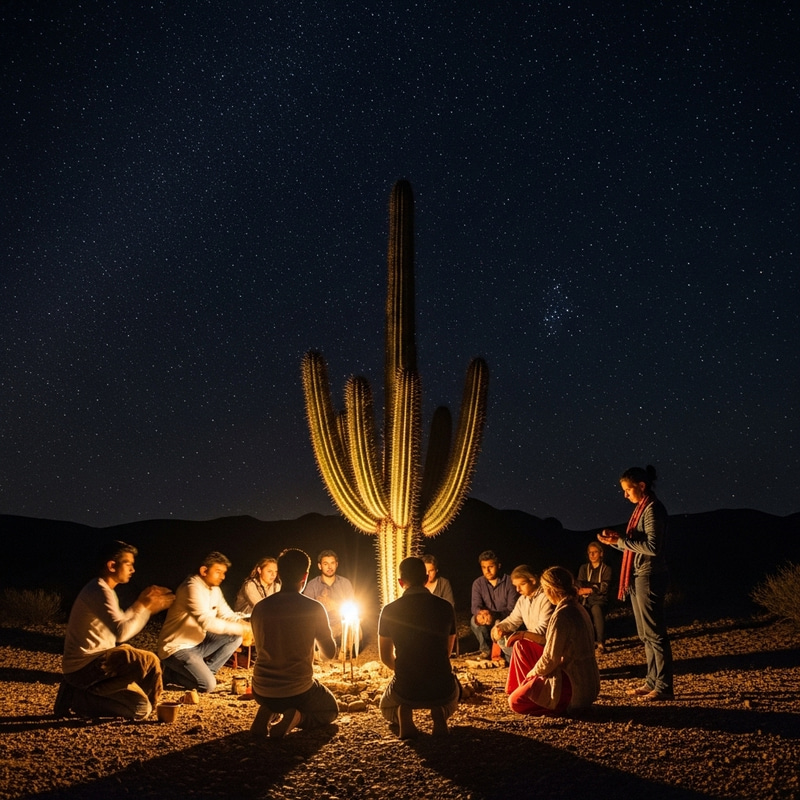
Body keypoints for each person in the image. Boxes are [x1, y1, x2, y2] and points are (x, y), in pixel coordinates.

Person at [56, 540, 174, 720]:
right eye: (128, 564)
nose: (132, 570)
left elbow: (121, 623)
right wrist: (145, 607)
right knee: (141, 708)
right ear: (112, 565)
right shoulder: (99, 591)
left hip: (92, 663)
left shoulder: (101, 589)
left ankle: (80, 691)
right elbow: (122, 632)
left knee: (136, 660)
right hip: (85, 669)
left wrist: (141, 606)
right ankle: (79, 698)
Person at [598, 465, 674, 701]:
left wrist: (621, 541)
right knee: (645, 634)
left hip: (649, 576)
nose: (625, 495)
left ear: (641, 486)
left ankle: (663, 686)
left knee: (655, 633)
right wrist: (616, 542)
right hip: (638, 575)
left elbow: (652, 547)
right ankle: (652, 681)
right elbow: (634, 543)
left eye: (628, 489)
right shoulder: (641, 509)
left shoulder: (652, 510)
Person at [249, 548, 338, 738]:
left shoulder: (260, 608)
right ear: (305, 576)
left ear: (279, 574)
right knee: (330, 710)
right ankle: (296, 717)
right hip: (297, 690)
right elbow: (329, 653)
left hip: (261, 688)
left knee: (276, 699)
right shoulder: (313, 608)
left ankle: (268, 710)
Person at [378, 556, 460, 739]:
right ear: (425, 579)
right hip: (441, 687)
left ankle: (404, 714)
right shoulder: (446, 607)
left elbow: (385, 656)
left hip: (406, 686)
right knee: (455, 691)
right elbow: (446, 652)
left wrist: (404, 670)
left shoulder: (389, 610)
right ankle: (440, 713)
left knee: (385, 707)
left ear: (400, 582)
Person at [505, 566, 600, 717]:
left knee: (515, 701)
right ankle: (528, 688)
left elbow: (550, 658)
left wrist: (532, 674)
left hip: (574, 686)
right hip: (589, 683)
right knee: (522, 646)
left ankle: (557, 705)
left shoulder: (562, 615)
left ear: (551, 589)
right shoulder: (577, 607)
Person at [157, 551, 251, 693]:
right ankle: (170, 674)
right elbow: (206, 622)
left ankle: (208, 671)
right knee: (207, 686)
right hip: (177, 647)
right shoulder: (191, 587)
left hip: (197, 642)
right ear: (204, 570)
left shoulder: (214, 589)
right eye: (218, 571)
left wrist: (244, 625)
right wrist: (241, 629)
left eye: (224, 572)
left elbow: (226, 614)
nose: (222, 576)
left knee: (235, 637)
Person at [490, 565, 553, 663]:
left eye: (522, 584)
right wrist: (499, 628)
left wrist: (522, 635)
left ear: (532, 581)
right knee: (502, 638)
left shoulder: (545, 598)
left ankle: (527, 661)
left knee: (518, 644)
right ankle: (520, 660)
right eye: (515, 586)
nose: (518, 590)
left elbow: (543, 630)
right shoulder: (523, 600)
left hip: (545, 644)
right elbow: (513, 620)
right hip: (531, 640)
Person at [470, 550, 518, 659]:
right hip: (487, 620)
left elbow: (512, 609)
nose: (487, 570)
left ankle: (506, 653)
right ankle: (486, 650)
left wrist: (494, 616)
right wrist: (480, 613)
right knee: (474, 620)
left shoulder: (510, 582)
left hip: (505, 618)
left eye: (490, 566)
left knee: (498, 623)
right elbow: (475, 606)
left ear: (498, 565)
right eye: (483, 567)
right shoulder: (478, 583)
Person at [302, 549, 356, 642]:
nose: (329, 567)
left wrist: (335, 606)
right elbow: (307, 609)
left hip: (341, 624)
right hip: (320, 625)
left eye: (332, 563)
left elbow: (352, 607)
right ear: (320, 566)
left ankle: (343, 647)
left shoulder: (345, 583)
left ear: (337, 564)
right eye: (326, 564)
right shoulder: (312, 585)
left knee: (356, 630)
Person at [577, 542, 612, 653]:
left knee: (596, 609)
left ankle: (601, 642)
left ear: (601, 553)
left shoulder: (606, 569)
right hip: (586, 599)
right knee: (583, 612)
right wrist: (594, 587)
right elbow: (580, 584)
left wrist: (590, 588)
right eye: (590, 553)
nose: (592, 555)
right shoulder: (584, 568)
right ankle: (588, 642)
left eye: (595, 552)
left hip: (601, 600)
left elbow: (604, 587)